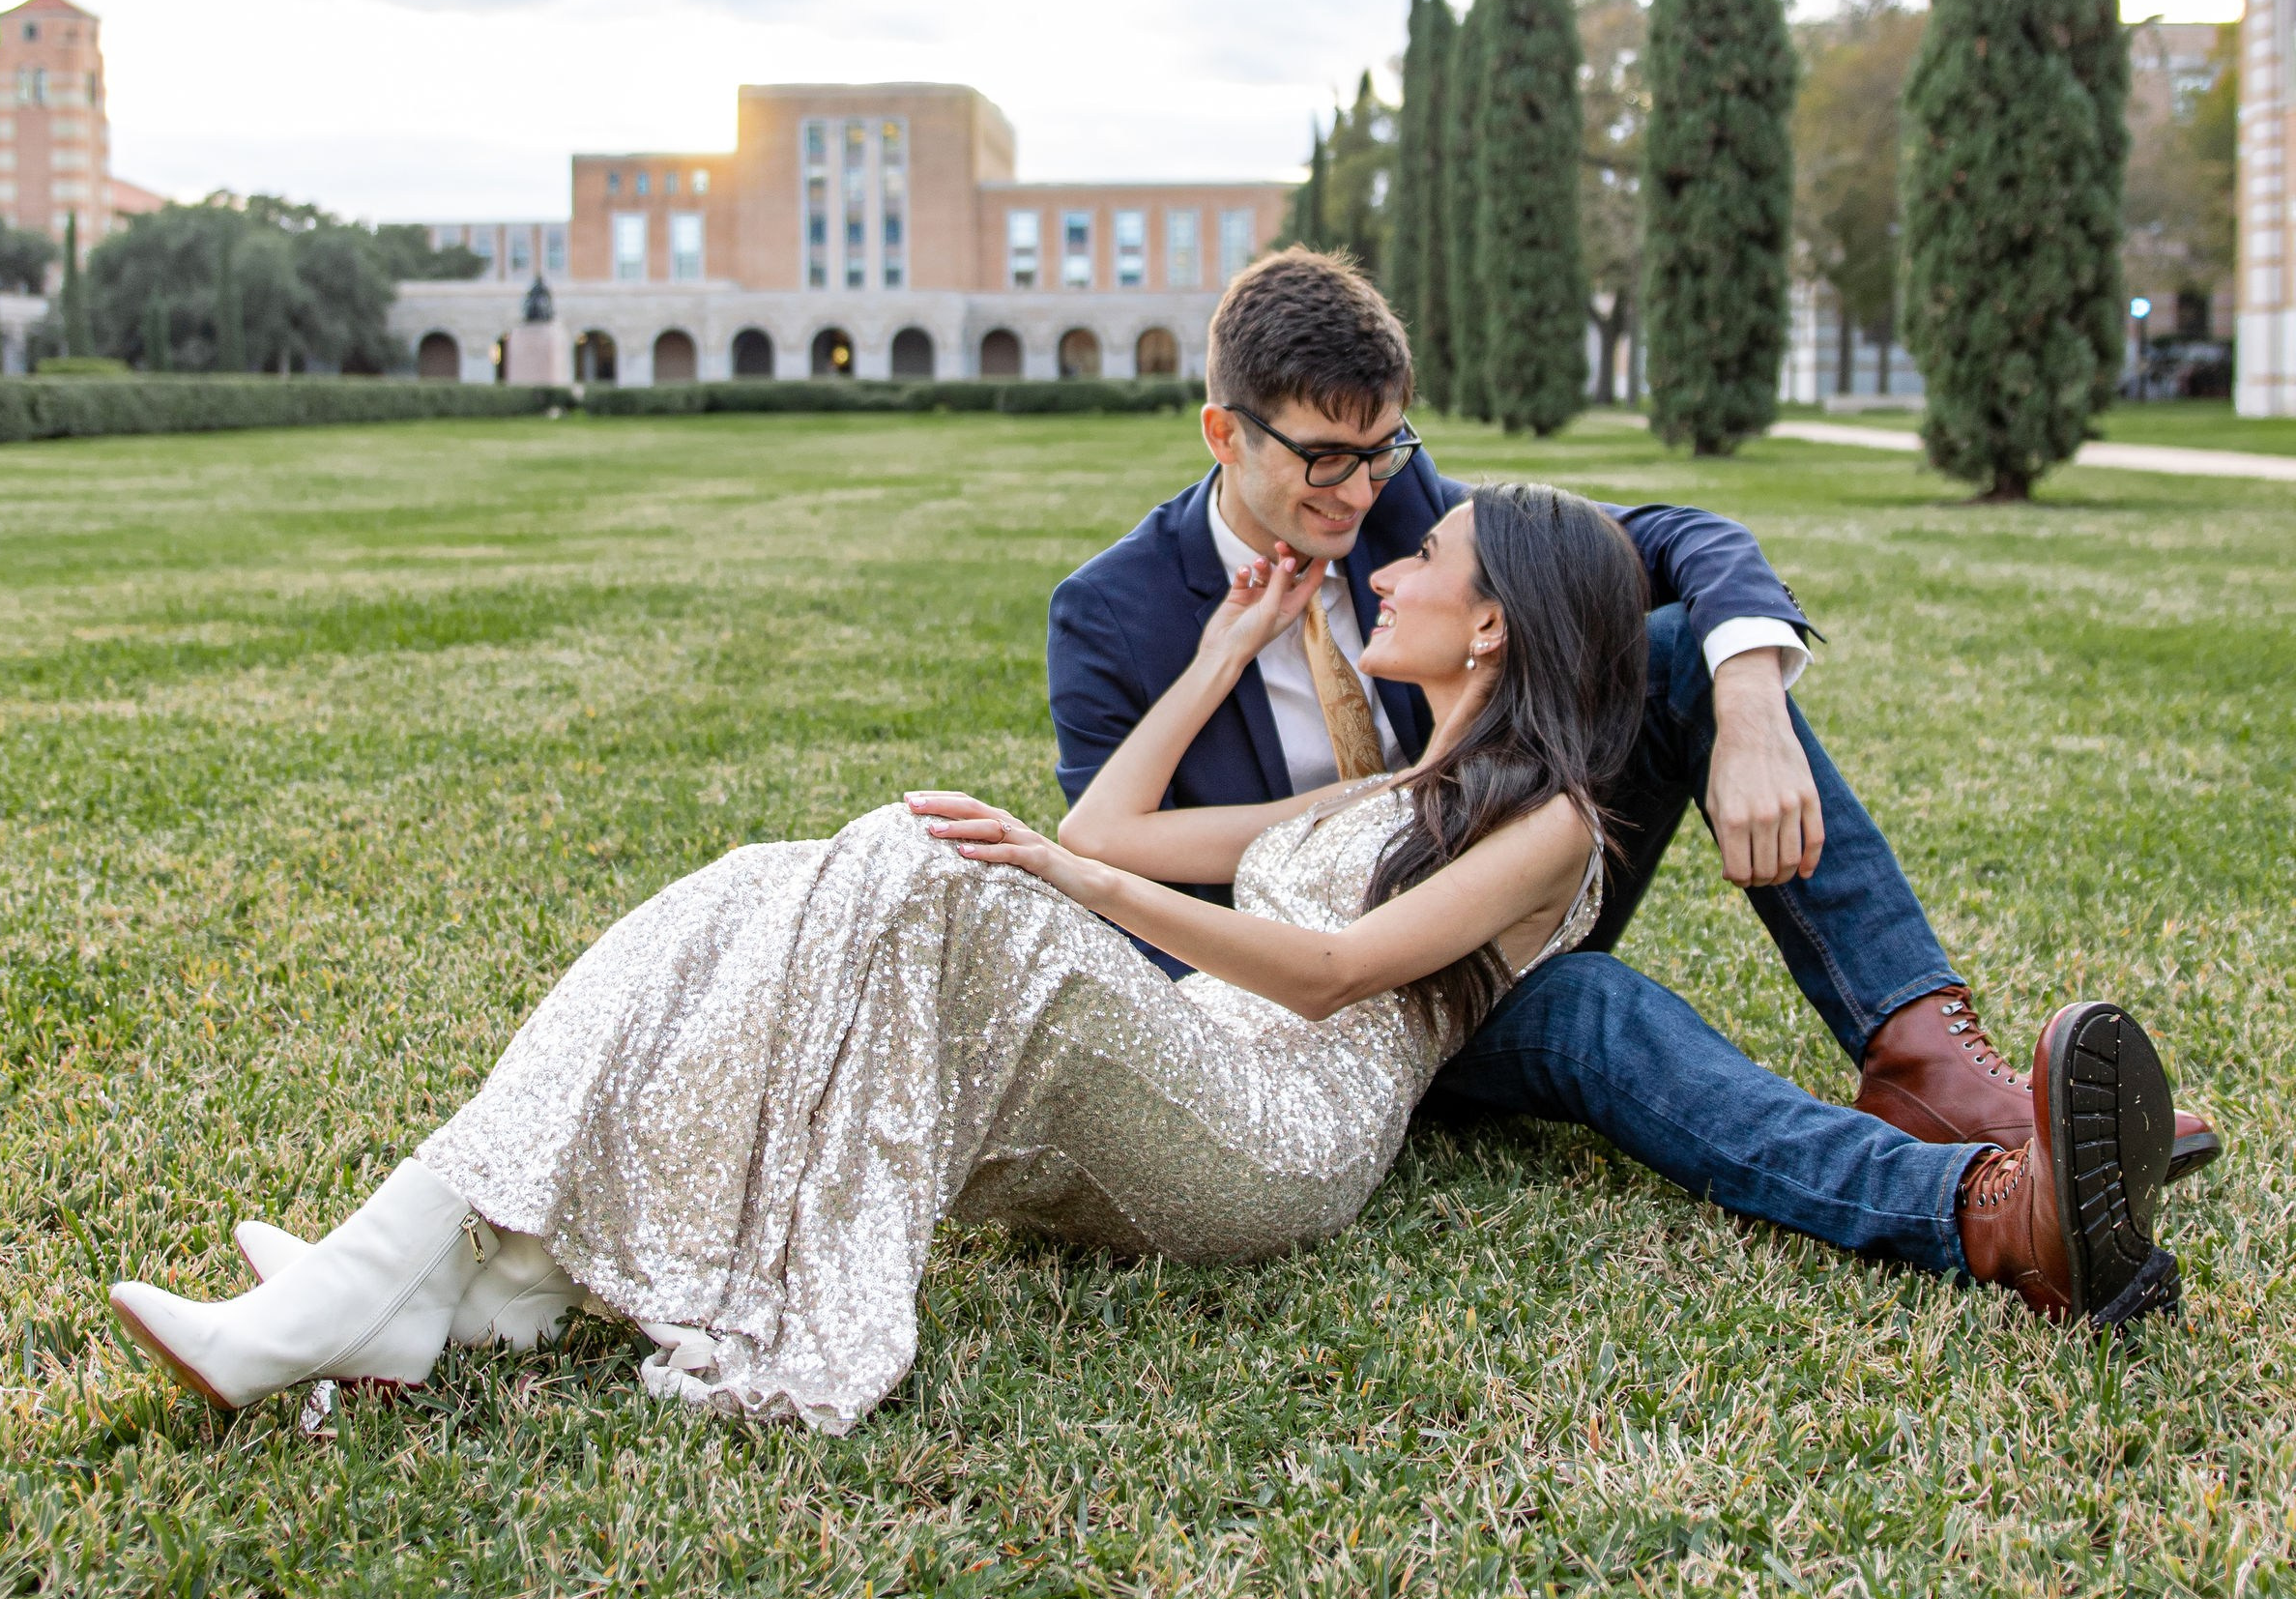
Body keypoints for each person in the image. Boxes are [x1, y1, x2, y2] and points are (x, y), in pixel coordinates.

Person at [114, 484, 1671, 1425]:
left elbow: (1331, 978)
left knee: (937, 870)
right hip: (1178, 1064)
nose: (1389, 568)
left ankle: (420, 1290)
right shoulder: (1378, 790)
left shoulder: (1555, 834)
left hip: (1274, 1143)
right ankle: (442, 1273)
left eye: (1430, 559)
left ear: (1490, 630)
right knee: (760, 883)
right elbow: (1118, 825)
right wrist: (1213, 658)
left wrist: (1061, 878)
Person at [1047, 247, 2208, 1317]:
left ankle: (1926, 1062)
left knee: (1674, 653)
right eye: (1323, 460)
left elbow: (1680, 539)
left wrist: (1751, 706)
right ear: (1224, 433)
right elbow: (1114, 869)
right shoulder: (1111, 614)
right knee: (1592, 1017)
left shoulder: (1414, 510)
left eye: (1384, 453)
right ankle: (1990, 1211)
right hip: (1318, 981)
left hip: (1501, 876)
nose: (1363, 502)